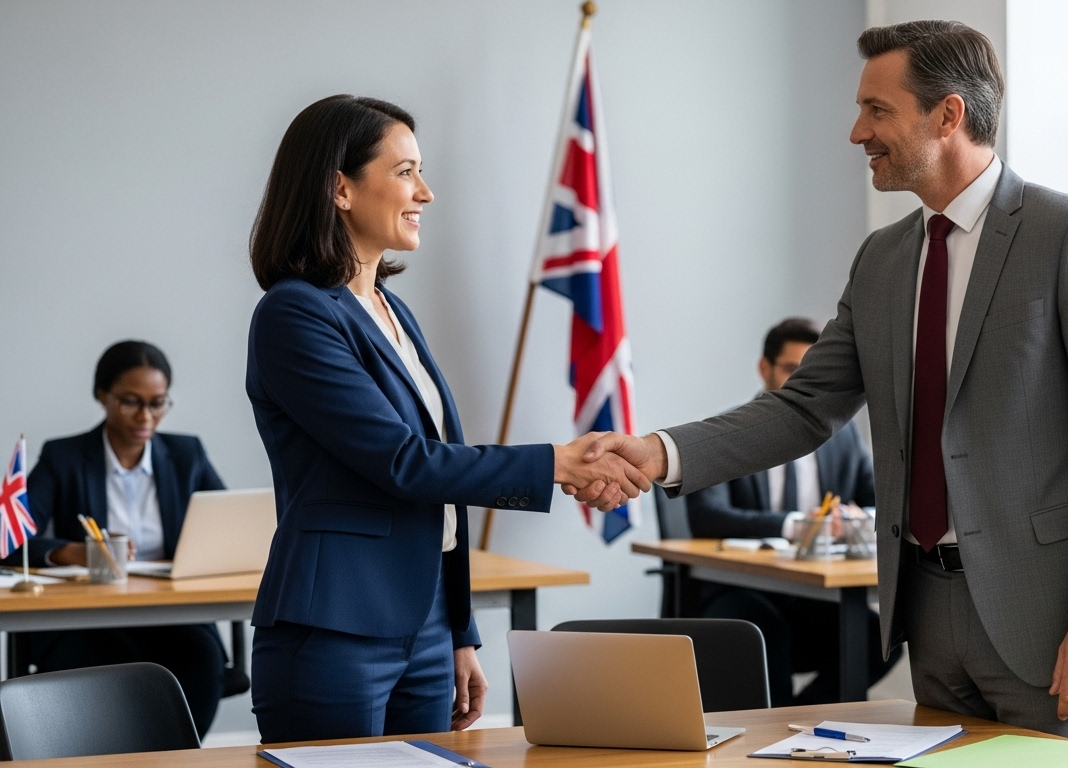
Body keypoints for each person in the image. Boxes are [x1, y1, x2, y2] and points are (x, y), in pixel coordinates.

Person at [571, 21, 1068, 741]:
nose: (858, 132)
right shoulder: (883, 258)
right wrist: (659, 452)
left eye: (877, 110)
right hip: (925, 610)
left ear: (948, 114)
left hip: (1052, 620)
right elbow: (802, 408)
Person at [245, 95, 648, 742]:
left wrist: (458, 630)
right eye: (405, 172)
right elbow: (404, 463)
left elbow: (442, 501)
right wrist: (557, 464)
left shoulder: (393, 312)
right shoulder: (295, 316)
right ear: (340, 189)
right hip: (336, 631)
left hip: (427, 627)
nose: (425, 192)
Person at [5, 341, 229, 737]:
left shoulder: (186, 454)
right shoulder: (65, 457)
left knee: (200, 658)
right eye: (130, 402)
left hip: (170, 613)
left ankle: (175, 761)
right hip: (85, 618)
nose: (146, 416)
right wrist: (71, 552)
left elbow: (227, 524)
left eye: (158, 403)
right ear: (102, 396)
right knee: (115, 666)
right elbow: (11, 537)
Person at [686, 317, 892, 705]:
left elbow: (879, 501)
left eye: (810, 372)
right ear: (765, 369)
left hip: (809, 591)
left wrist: (857, 519)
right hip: (740, 588)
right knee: (766, 630)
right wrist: (799, 526)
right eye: (791, 370)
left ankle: (798, 720)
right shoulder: (732, 430)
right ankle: (776, 729)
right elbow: (707, 518)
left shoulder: (842, 435)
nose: (801, 382)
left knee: (882, 634)